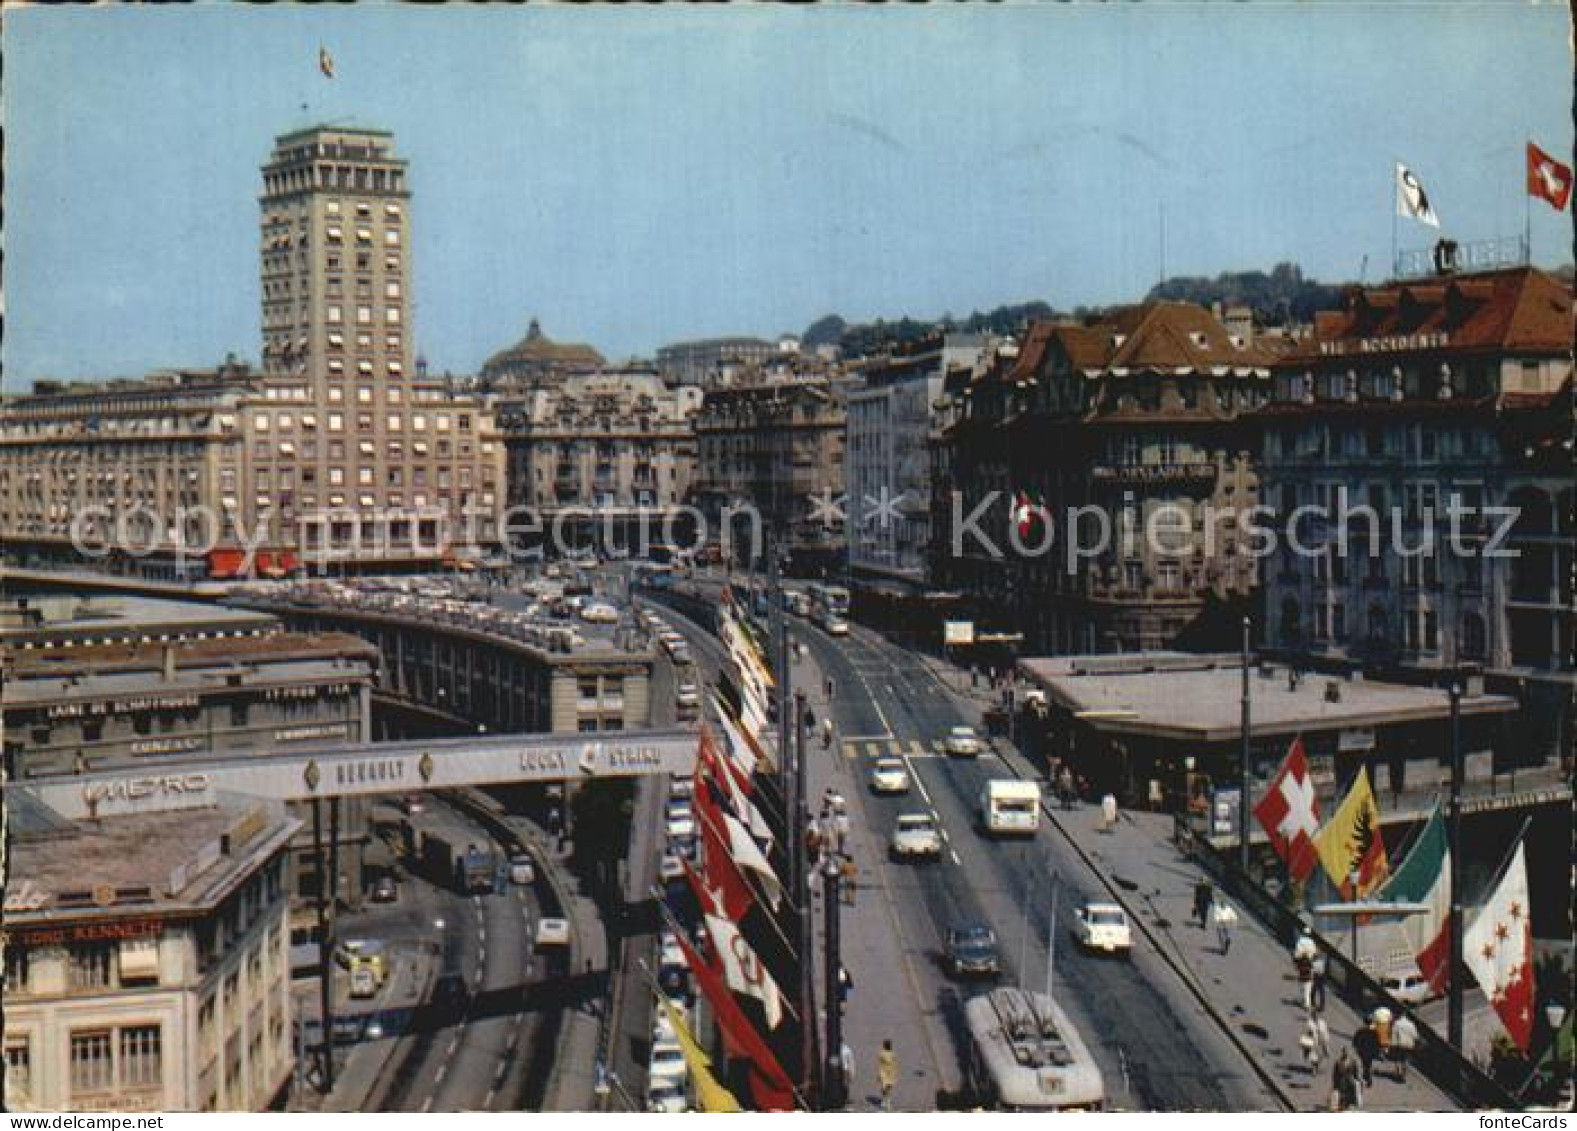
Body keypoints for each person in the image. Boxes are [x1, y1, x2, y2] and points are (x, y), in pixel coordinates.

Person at [1389, 1011, 1418, 1082]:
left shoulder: (1397, 1024)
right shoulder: (1411, 1024)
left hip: (1399, 1044)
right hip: (1409, 1045)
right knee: (1405, 1060)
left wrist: (1392, 1044)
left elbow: (1394, 1034)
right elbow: (1415, 1036)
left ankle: (1398, 1074)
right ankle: (1403, 1075)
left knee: (1398, 1059)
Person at [1353, 1020, 1380, 1089]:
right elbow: (1377, 1043)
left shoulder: (1361, 1030)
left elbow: (1355, 1040)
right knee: (1368, 1065)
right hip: (1370, 1052)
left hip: (1362, 1051)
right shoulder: (1375, 1032)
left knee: (1363, 1065)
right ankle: (1368, 1079)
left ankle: (1363, 1078)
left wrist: (1356, 1048)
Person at [877, 1039, 899, 1112]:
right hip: (884, 1072)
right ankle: (885, 1101)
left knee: (888, 1088)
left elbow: (895, 1063)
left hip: (890, 1073)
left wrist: (895, 1072)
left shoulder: (892, 1053)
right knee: (884, 1087)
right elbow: (880, 1064)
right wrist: (879, 1073)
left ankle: (886, 1101)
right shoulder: (882, 1053)